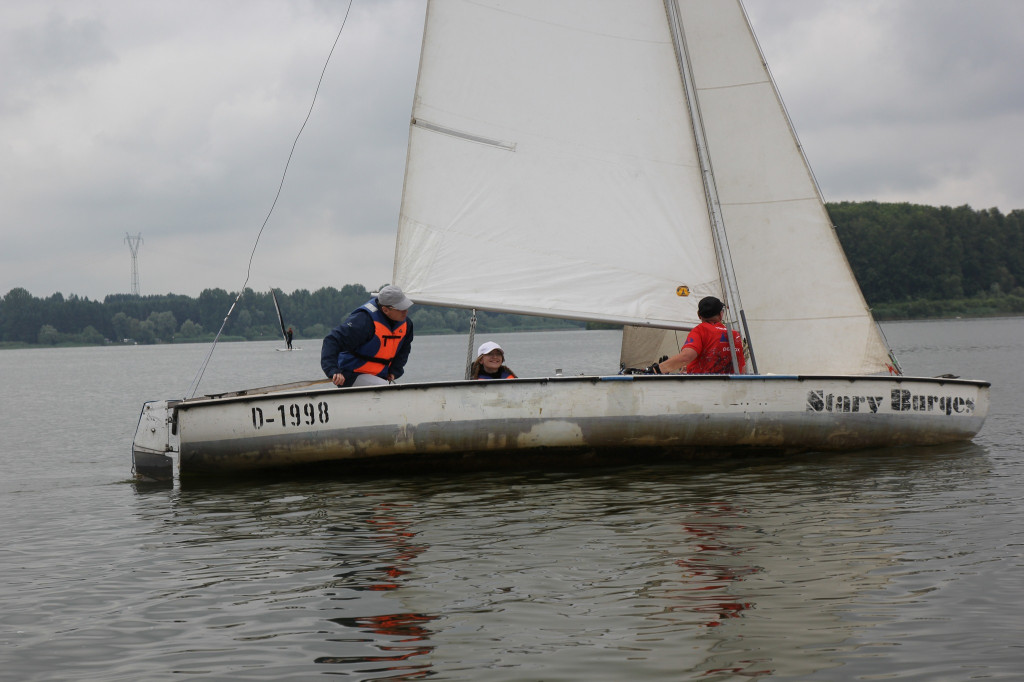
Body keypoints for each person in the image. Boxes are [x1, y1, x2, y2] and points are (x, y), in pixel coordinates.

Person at [320, 285, 414, 387]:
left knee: (385, 387)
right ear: (386, 310)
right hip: (352, 374)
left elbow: (404, 350)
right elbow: (332, 340)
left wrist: (394, 371)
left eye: (406, 307)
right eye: (401, 308)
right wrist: (333, 370)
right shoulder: (363, 321)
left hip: (379, 376)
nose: (406, 311)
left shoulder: (406, 325)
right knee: (385, 389)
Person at [647, 296, 745, 375]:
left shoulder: (701, 330)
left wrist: (656, 370)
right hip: (733, 389)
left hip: (705, 388)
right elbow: (742, 368)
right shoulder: (734, 334)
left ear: (699, 315)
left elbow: (686, 357)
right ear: (720, 314)